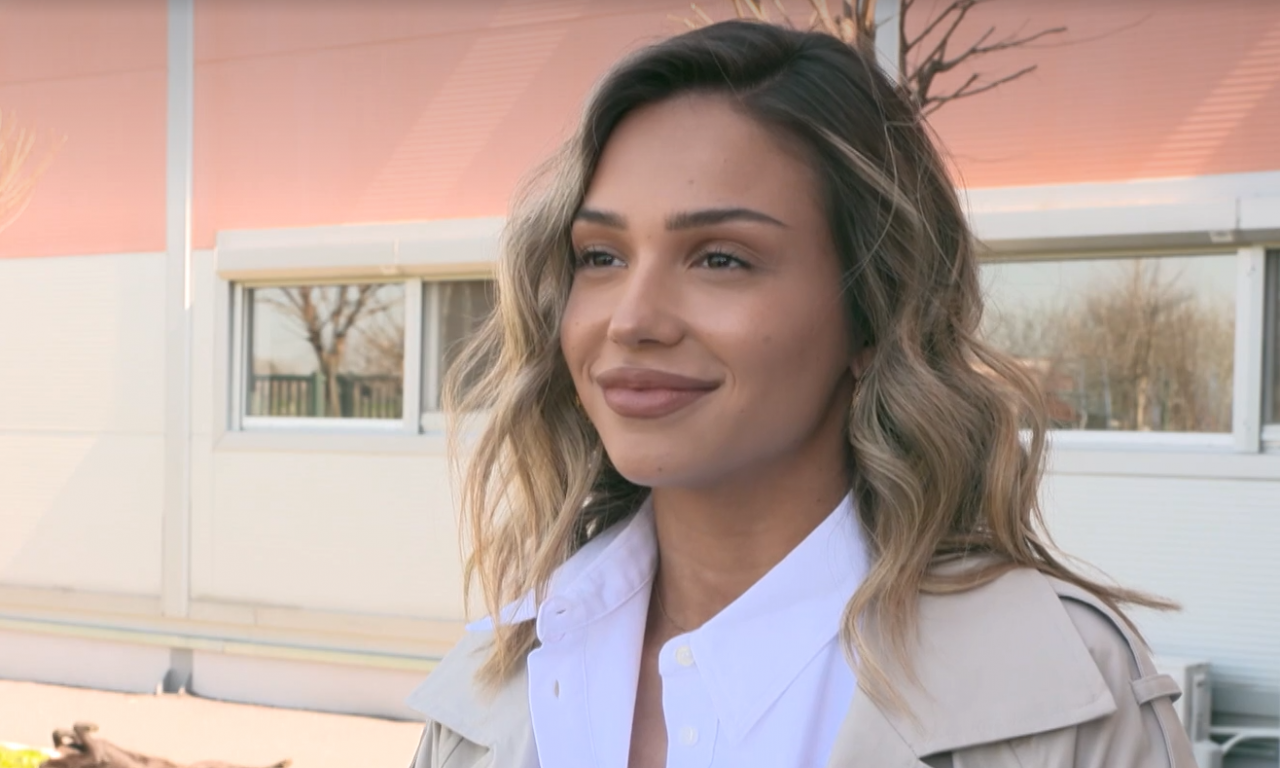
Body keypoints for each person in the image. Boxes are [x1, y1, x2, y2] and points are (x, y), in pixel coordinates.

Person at [407, 19, 1197, 768]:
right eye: (601, 257)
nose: (632, 320)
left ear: (874, 313)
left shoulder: (1057, 686)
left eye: (721, 258)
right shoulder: (495, 682)